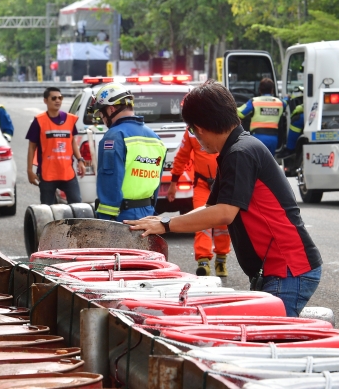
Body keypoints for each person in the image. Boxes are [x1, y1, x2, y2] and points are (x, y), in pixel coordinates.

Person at [126, 81, 322, 317]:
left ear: (198, 127)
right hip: (277, 269)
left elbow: (223, 213)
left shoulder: (240, 153)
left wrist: (166, 225)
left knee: (268, 343)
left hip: (289, 269)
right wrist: (163, 220)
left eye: (191, 130)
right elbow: (209, 209)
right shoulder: (234, 150)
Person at [90, 82, 166, 222]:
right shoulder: (156, 139)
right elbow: (156, 182)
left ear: (111, 109)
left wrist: (105, 219)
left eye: (102, 114)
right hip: (148, 215)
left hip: (121, 217)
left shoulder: (114, 136)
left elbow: (110, 182)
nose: (103, 119)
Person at [168, 128, 230, 277]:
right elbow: (182, 156)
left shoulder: (224, 125)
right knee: (202, 221)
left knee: (224, 224)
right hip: (202, 184)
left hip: (224, 183)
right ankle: (203, 261)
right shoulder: (191, 132)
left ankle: (221, 259)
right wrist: (173, 183)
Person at [25, 87, 85, 205]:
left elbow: (72, 141)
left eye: (60, 98)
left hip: (67, 173)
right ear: (45, 101)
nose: (57, 100)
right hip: (47, 175)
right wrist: (29, 171)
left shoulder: (69, 119)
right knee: (47, 211)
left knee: (78, 205)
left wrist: (80, 160)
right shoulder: (39, 121)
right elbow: (32, 147)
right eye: (54, 98)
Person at [237, 77, 286, 154]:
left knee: (257, 163)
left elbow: (240, 113)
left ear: (259, 90)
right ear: (272, 90)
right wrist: (287, 97)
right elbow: (286, 102)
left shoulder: (254, 102)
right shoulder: (280, 103)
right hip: (273, 139)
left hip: (257, 138)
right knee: (269, 163)